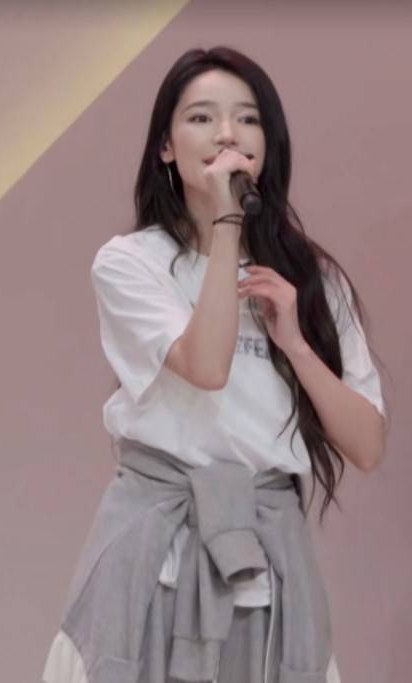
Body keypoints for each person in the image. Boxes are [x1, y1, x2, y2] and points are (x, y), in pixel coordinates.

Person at [43, 46, 386, 683]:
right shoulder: (130, 264)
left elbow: (367, 444)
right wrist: (229, 223)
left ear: (267, 145)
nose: (227, 133)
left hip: (271, 569)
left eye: (247, 119)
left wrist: (296, 345)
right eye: (202, 118)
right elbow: (207, 366)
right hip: (153, 564)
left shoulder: (311, 280)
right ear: (166, 147)